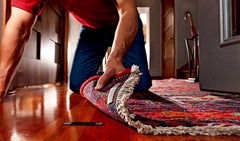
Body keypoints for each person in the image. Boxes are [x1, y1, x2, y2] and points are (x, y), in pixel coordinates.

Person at [0, 0, 152, 102]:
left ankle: (113, 74)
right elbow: (19, 26)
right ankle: (106, 78)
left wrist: (115, 59)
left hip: (122, 22)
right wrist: (1, 82)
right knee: (78, 84)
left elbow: (128, 11)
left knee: (140, 84)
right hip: (91, 29)